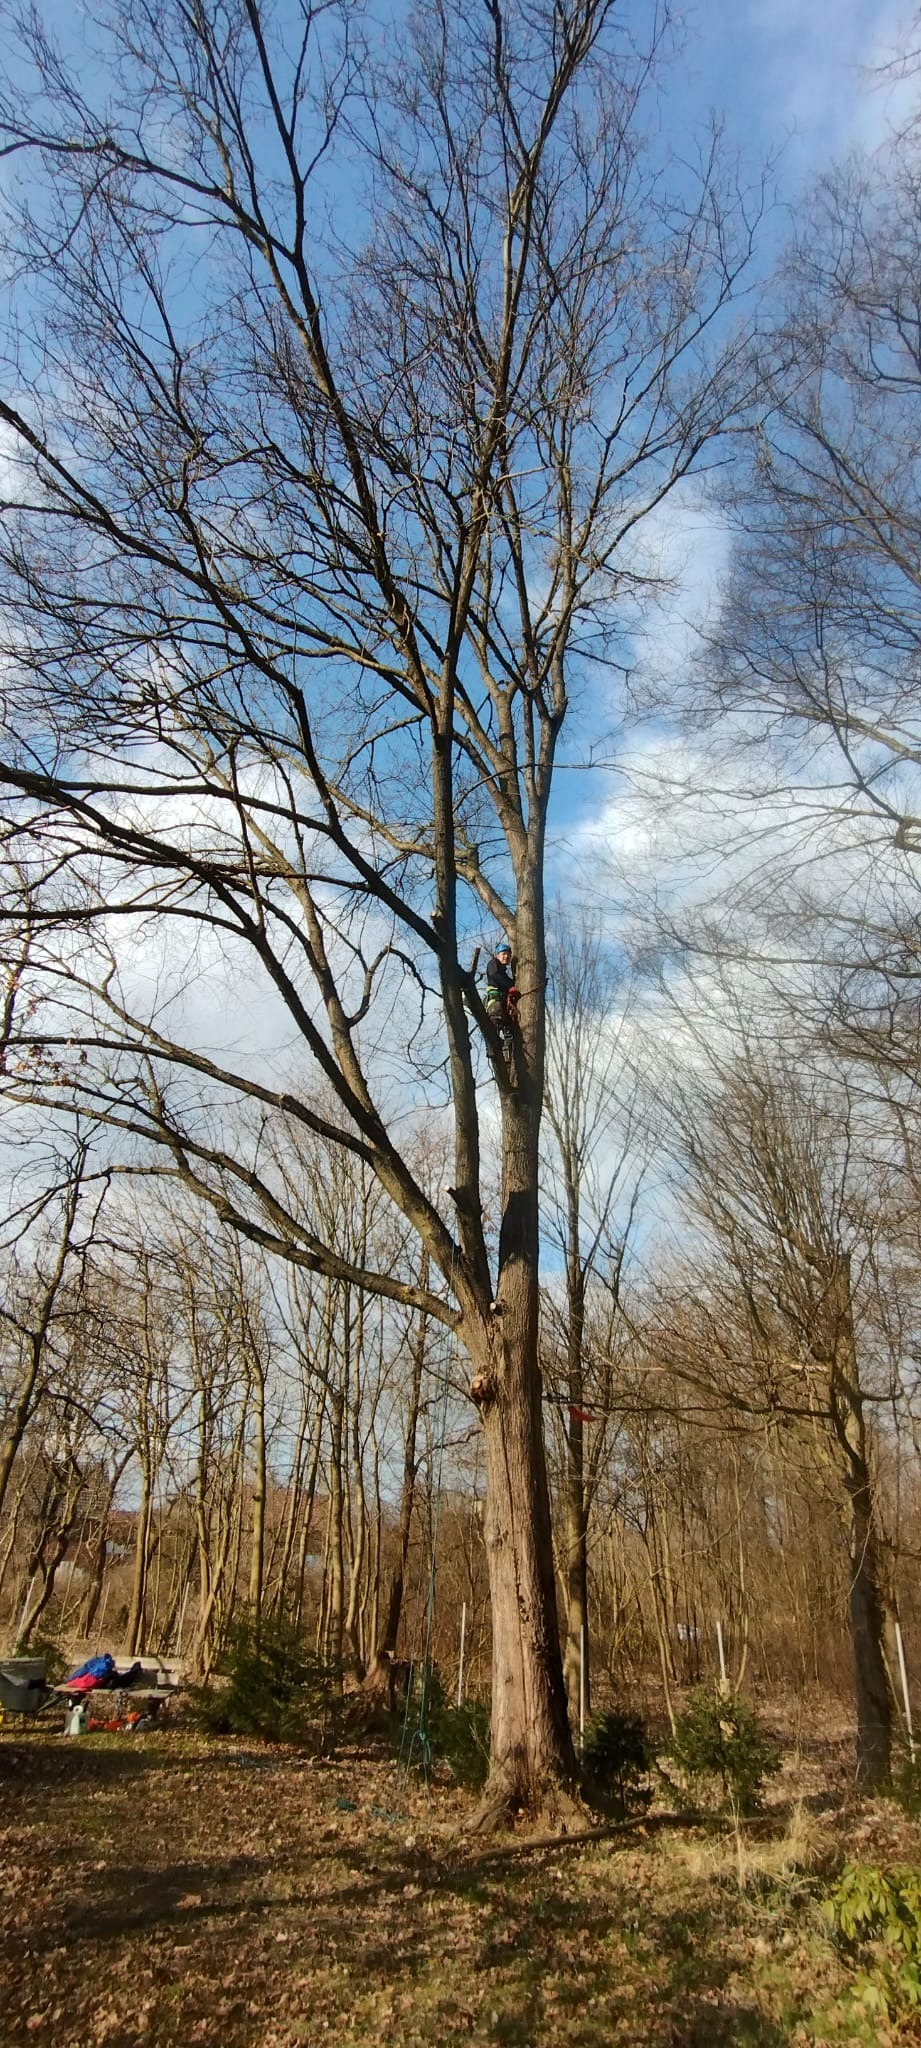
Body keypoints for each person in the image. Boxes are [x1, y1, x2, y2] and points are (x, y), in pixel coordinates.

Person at [484, 939, 517, 1032]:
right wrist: (510, 986)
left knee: (508, 1025)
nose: (506, 956)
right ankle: (493, 1043)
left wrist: (512, 985)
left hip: (503, 1001)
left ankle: (507, 1044)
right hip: (495, 1000)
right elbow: (494, 974)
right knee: (496, 1020)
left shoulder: (503, 973)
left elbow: (507, 981)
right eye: (504, 954)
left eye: (508, 954)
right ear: (498, 955)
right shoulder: (493, 963)